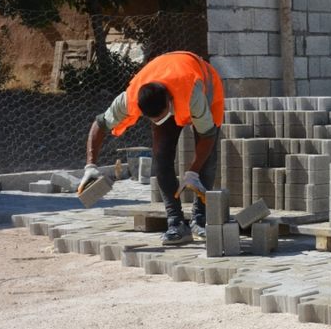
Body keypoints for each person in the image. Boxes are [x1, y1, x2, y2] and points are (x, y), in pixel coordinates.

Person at [80, 51, 225, 245]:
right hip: (169, 88)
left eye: (160, 115)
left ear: (168, 101)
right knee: (161, 157)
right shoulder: (129, 98)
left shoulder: (193, 94)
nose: (157, 121)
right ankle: (176, 223)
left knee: (207, 159)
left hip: (203, 87)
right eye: (152, 119)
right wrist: (90, 166)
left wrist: (193, 172)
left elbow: (207, 136)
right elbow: (100, 124)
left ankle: (200, 220)